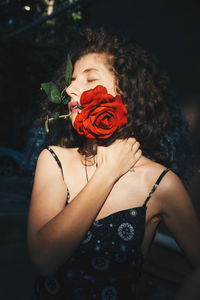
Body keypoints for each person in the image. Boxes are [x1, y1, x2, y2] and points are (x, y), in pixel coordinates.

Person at [27, 28, 200, 300]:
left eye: (90, 78)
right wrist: (107, 174)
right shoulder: (53, 160)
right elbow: (44, 260)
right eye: (70, 82)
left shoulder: (161, 184)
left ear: (126, 92)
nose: (70, 90)